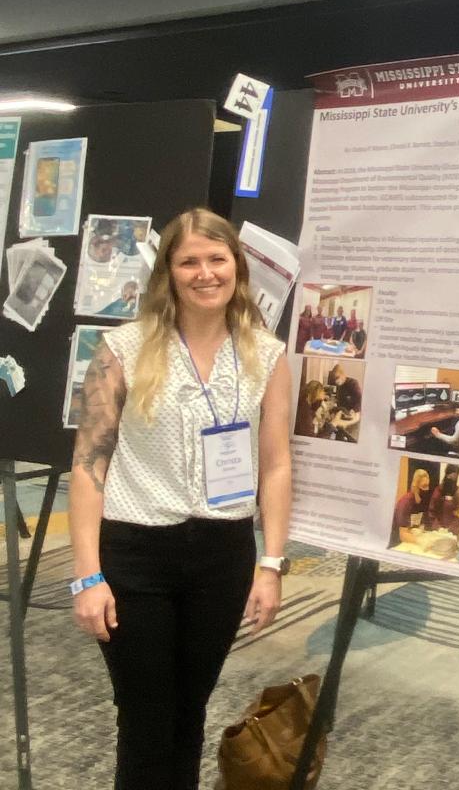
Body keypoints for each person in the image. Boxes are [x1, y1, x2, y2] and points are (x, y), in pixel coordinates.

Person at [68, 207, 292, 790]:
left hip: (222, 555)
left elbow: (276, 465)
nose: (204, 272)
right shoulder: (122, 348)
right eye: (188, 260)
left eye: (217, 259)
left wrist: (271, 563)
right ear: (168, 270)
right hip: (136, 552)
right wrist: (87, 577)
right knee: (145, 716)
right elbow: (89, 468)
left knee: (190, 710)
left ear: (237, 269)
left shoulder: (266, 355)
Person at [390, 468, 431, 547]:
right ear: (416, 486)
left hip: (409, 541)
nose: (427, 489)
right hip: (396, 543)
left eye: (428, 486)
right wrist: (420, 540)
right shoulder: (405, 503)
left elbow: (417, 523)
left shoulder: (422, 501)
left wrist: (418, 530)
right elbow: (402, 535)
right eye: (424, 486)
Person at [325, 362, 362, 442]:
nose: (336, 381)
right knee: (338, 433)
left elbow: (360, 400)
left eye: (337, 378)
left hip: (353, 416)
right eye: (334, 379)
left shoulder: (353, 383)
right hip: (343, 414)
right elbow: (340, 401)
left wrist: (354, 410)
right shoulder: (339, 386)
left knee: (348, 436)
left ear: (343, 374)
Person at [428, 465, 459, 536]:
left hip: (452, 533)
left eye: (455, 476)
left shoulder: (458, 492)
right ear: (446, 474)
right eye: (450, 476)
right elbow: (432, 511)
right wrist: (438, 528)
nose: (452, 479)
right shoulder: (438, 490)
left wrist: (450, 530)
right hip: (438, 532)